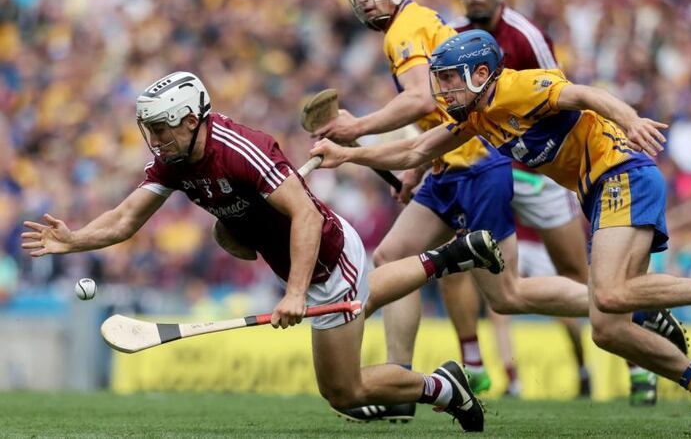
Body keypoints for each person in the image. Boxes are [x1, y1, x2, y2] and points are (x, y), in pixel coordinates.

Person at [310, 30, 691, 433]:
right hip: (598, 189)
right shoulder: (476, 115)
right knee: (607, 327)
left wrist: (630, 119)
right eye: (441, 79)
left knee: (613, 294)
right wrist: (350, 153)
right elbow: (415, 153)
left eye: (452, 78)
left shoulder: (515, 88)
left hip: (622, 172)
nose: (444, 89)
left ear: (481, 74)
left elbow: (583, 94)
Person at [19, 71, 509, 432]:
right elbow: (125, 220)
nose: (155, 138)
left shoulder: (240, 150)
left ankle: (444, 388)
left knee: (344, 391)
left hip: (325, 259)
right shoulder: (173, 159)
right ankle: (448, 256)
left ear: (191, 120)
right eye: (150, 128)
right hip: (312, 258)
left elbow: (309, 217)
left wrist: (296, 293)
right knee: (356, 290)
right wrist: (76, 239)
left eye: (162, 127)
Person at [319, 0, 684, 421]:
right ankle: (406, 380)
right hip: (454, 161)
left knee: (513, 292)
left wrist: (357, 128)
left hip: (492, 159)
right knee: (393, 255)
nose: (366, 0)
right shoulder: (429, 24)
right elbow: (425, 133)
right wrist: (355, 156)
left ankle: (631, 307)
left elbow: (429, 101)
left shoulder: (410, 29)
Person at [452, 0, 677, 404]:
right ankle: (481, 364)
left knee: (581, 272)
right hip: (488, 166)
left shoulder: (525, 35)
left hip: (542, 169)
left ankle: (631, 363)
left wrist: (625, 120)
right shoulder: (454, 38)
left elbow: (565, 96)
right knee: (469, 259)